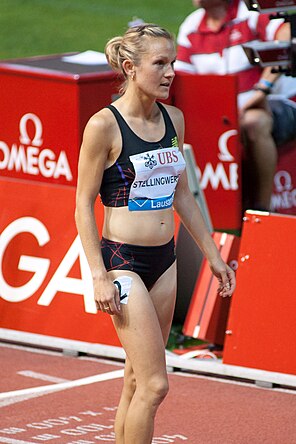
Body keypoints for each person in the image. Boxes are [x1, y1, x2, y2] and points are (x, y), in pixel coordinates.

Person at [75, 23, 236, 444]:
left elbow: (183, 195)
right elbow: (81, 205)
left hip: (165, 263)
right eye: (160, 64)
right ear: (130, 67)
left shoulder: (173, 118)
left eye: (174, 63)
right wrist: (98, 274)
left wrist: (213, 254)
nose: (170, 73)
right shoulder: (103, 126)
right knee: (155, 385)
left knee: (134, 381)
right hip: (122, 263)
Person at [175, 0, 296, 211]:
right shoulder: (191, 26)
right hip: (225, 115)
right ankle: (213, 210)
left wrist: (262, 89)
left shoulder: (250, 12)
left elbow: (285, 35)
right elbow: (184, 83)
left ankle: (262, 209)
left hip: (279, 102)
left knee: (253, 121)